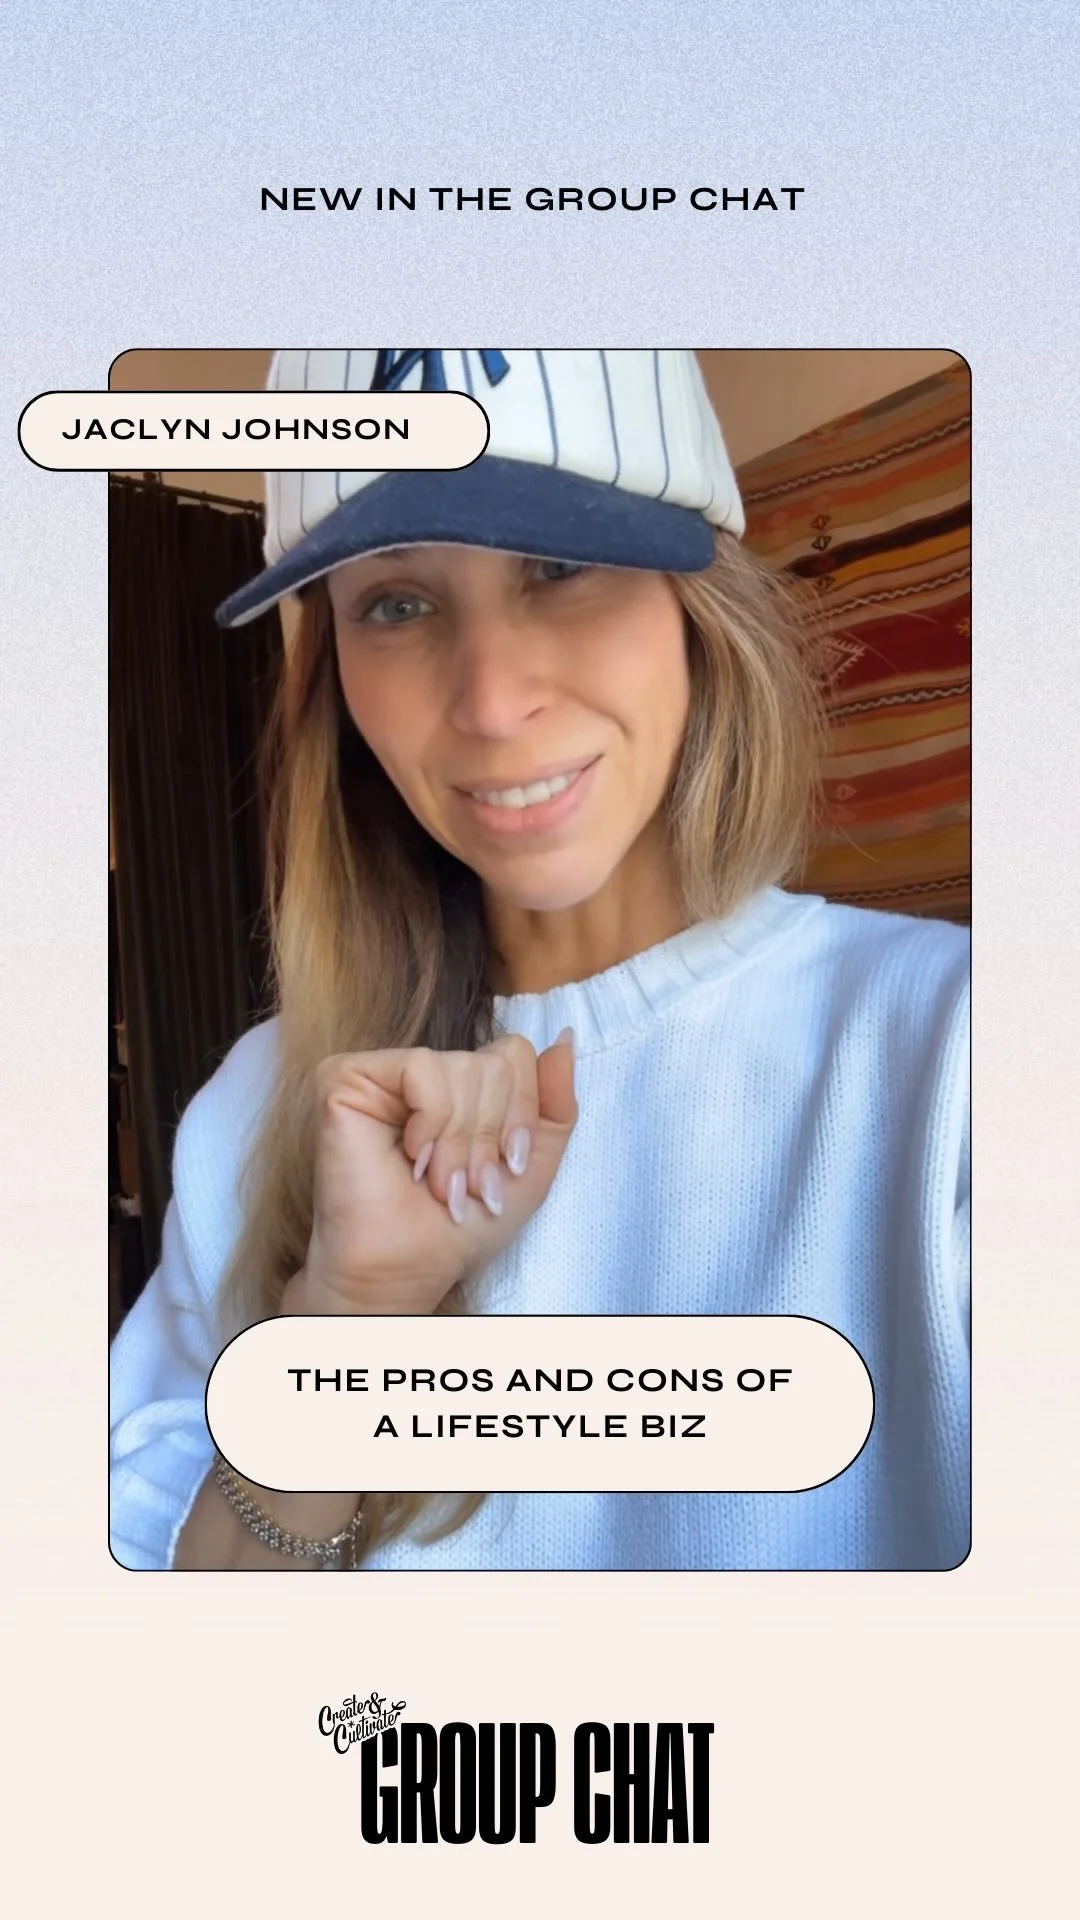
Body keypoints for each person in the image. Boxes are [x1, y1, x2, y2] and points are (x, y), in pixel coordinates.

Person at [109, 348, 970, 1573]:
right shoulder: (253, 1110)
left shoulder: (961, 1059)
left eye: (559, 566)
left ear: (698, 601)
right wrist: (345, 1325)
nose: (492, 701)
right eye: (397, 603)